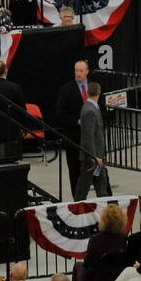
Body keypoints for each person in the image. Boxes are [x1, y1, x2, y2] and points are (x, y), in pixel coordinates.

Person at [54, 60, 90, 196]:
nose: (78, 74)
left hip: (91, 138)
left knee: (99, 171)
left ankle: (106, 199)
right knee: (75, 171)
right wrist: (77, 121)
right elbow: (60, 114)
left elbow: (102, 109)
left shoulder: (93, 87)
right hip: (74, 137)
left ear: (87, 71)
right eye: (76, 71)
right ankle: (78, 200)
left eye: (81, 71)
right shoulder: (66, 90)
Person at [74, 80, 111, 199]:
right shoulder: (90, 110)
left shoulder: (90, 107)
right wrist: (94, 157)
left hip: (96, 157)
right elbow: (88, 137)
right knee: (83, 187)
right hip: (92, 158)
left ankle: (105, 211)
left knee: (101, 187)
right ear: (98, 93)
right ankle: (77, 208)